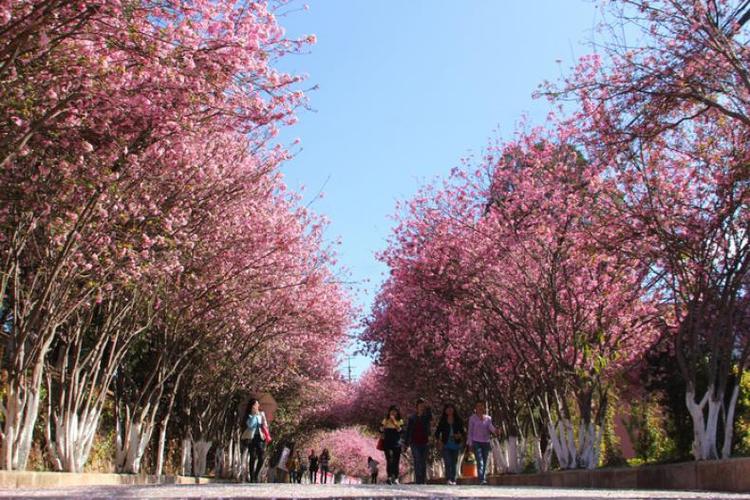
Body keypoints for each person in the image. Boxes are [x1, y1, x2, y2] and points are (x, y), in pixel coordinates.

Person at [467, 400, 499, 485]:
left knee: (485, 461)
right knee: (479, 460)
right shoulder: (472, 418)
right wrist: (469, 443)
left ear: (484, 408)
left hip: (486, 442)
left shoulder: (488, 418)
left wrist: (496, 431)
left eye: (481, 406)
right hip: (476, 442)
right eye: (478, 406)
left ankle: (483, 478)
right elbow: (470, 431)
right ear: (475, 408)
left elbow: (491, 428)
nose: (480, 408)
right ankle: (481, 479)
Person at [434, 403, 465, 485]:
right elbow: (437, 433)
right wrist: (439, 441)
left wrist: (459, 436)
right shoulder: (442, 420)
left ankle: (453, 479)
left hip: (455, 444)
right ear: (445, 410)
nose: (450, 410)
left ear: (454, 410)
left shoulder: (458, 420)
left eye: (451, 408)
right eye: (448, 408)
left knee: (454, 462)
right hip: (446, 445)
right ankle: (448, 479)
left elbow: (463, 432)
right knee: (447, 462)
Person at [404, 398, 432, 484]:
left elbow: (430, 416)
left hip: (424, 442)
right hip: (414, 442)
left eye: (423, 406)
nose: (421, 407)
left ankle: (422, 480)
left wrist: (428, 407)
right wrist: (406, 443)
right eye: (420, 406)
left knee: (423, 461)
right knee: (417, 460)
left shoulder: (426, 416)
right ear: (417, 407)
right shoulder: (412, 418)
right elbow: (408, 430)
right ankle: (418, 480)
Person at [242, 398, 270, 483]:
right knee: (253, 457)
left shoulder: (261, 414)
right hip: (251, 437)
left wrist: (263, 420)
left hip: (260, 437)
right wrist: (254, 415)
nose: (257, 406)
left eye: (258, 404)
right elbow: (250, 425)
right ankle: (252, 477)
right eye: (256, 404)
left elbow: (265, 425)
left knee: (261, 457)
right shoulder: (248, 415)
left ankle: (256, 474)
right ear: (252, 406)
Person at [380, 405, 404, 485]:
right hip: (387, 443)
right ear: (389, 412)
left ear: (397, 413)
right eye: (391, 411)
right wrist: (384, 426)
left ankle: (396, 478)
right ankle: (389, 477)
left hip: (396, 443)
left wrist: (394, 422)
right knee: (389, 460)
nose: (393, 412)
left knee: (396, 461)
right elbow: (380, 429)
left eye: (395, 411)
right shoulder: (385, 420)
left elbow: (401, 431)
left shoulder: (400, 420)